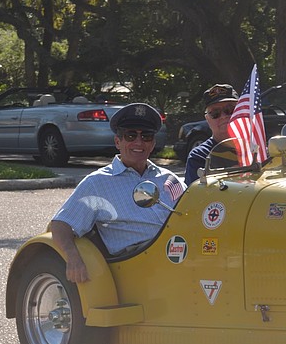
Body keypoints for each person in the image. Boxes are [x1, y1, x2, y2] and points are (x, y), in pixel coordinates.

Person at [50, 103, 186, 283]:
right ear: (118, 142)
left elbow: (188, 215)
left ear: (152, 144)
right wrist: (72, 258)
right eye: (131, 135)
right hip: (136, 263)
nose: (139, 142)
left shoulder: (168, 178)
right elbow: (61, 225)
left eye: (146, 136)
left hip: (178, 253)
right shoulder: (97, 182)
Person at [184, 84, 238, 185]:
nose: (223, 116)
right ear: (207, 119)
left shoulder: (257, 149)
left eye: (230, 110)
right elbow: (196, 196)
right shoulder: (199, 157)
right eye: (215, 113)